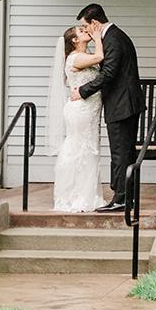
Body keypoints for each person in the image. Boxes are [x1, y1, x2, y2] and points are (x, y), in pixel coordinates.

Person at [72, 4, 144, 213]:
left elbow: (109, 73)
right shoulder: (113, 36)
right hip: (125, 103)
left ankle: (121, 198)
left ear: (95, 23)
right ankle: (127, 196)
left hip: (123, 104)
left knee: (120, 153)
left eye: (85, 26)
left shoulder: (112, 39)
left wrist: (83, 90)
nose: (84, 30)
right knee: (125, 152)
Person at [49, 25, 106, 213]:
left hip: (90, 110)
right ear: (75, 40)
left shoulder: (84, 55)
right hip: (80, 110)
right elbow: (100, 57)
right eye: (81, 31)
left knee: (89, 150)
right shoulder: (76, 57)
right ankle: (71, 195)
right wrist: (98, 37)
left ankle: (87, 194)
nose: (86, 31)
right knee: (78, 148)